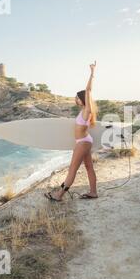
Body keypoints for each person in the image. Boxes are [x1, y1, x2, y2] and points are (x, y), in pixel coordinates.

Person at [45, 62, 98, 201]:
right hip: (85, 141)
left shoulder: (87, 110)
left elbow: (88, 91)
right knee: (89, 168)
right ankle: (93, 192)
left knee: (72, 169)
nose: (75, 99)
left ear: (82, 99)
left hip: (83, 143)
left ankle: (59, 195)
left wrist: (92, 73)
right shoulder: (83, 111)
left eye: (77, 97)